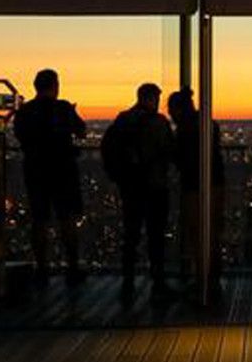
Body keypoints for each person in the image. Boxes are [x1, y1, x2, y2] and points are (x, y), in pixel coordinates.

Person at [12, 69, 87, 287]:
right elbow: (81, 130)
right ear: (55, 85)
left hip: (35, 170)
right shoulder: (62, 108)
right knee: (67, 219)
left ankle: (42, 269)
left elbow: (20, 136)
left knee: (39, 220)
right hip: (63, 170)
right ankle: (72, 268)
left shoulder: (25, 111)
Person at [102, 83, 175, 300]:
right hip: (155, 186)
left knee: (131, 234)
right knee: (156, 236)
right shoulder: (159, 123)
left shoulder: (123, 120)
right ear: (153, 98)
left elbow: (109, 149)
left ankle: (128, 281)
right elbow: (170, 151)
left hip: (131, 187)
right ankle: (158, 282)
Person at [168, 88, 225, 300]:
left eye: (171, 109)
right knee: (212, 233)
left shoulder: (186, 129)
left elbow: (182, 158)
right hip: (215, 183)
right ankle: (212, 279)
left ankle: (203, 280)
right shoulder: (208, 123)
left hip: (195, 186)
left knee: (197, 233)